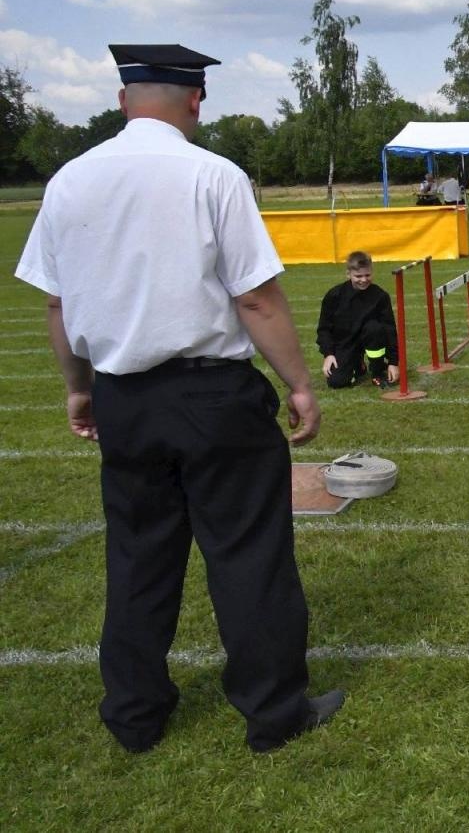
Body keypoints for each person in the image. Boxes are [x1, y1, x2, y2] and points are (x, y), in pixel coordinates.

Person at [14, 43, 341, 754]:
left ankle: (135, 715)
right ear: (196, 99)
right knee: (248, 553)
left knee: (138, 559)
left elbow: (57, 304)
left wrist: (78, 388)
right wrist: (299, 384)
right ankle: (273, 712)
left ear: (122, 100)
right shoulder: (213, 174)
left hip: (123, 397)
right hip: (213, 395)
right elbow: (255, 298)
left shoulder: (69, 180)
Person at [317, 251, 400, 389]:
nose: (364, 280)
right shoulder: (334, 295)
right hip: (345, 341)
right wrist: (328, 354)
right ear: (348, 274)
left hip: (370, 337)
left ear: (372, 272)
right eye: (358, 276)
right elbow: (324, 328)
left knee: (375, 328)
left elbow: (390, 329)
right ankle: (358, 366)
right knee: (337, 382)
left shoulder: (380, 296)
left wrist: (393, 362)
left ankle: (378, 370)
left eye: (367, 275)